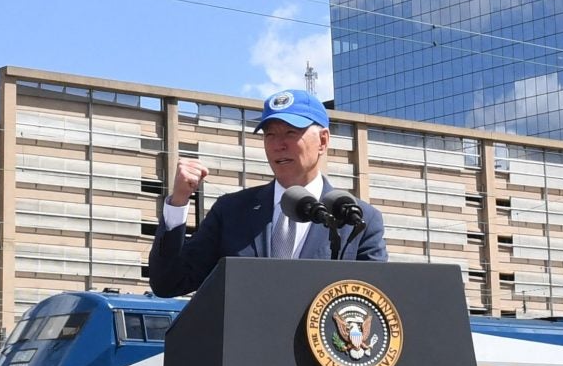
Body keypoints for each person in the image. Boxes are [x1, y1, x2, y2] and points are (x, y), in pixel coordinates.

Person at [145, 90, 387, 298]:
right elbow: (168, 283)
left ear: (323, 141)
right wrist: (178, 202)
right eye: (270, 134)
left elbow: (377, 301)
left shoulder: (358, 219)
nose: (278, 144)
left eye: (291, 133)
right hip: (246, 350)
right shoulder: (231, 212)